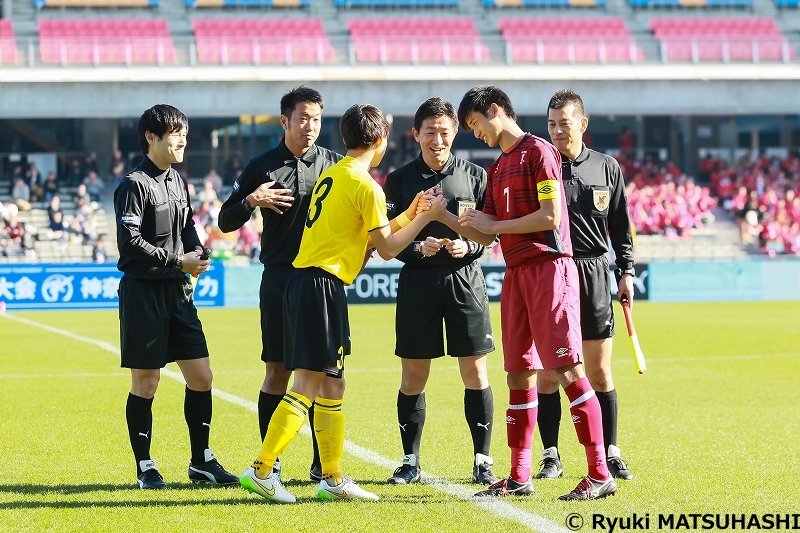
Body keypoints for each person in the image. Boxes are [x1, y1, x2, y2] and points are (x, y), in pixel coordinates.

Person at [239, 103, 447, 504]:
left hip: (307, 283)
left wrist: (410, 211)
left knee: (334, 383)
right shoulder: (366, 185)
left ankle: (332, 478)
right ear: (381, 141)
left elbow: (371, 234)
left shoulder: (333, 175)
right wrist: (426, 218)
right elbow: (386, 248)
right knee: (308, 384)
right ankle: (263, 469)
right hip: (322, 286)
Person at [451, 85, 617, 501]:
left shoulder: (539, 151)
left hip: (548, 268)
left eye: (475, 124)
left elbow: (550, 216)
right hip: (516, 273)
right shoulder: (499, 166)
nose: (476, 134)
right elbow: (483, 229)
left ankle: (599, 473)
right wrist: (441, 216)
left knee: (567, 370)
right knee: (517, 373)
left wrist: (495, 227)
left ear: (494, 111)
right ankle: (519, 474)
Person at [218, 86, 342, 482]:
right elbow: (224, 220)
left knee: (327, 374)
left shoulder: (336, 166)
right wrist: (252, 200)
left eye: (317, 119)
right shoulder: (262, 166)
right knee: (277, 372)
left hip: (322, 280)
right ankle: (271, 464)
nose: (310, 126)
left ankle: (324, 464)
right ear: (285, 120)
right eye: (303, 118)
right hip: (279, 280)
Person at [114, 104, 238, 490]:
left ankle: (201, 461)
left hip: (179, 295)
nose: (183, 139)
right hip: (144, 294)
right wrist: (177, 261)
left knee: (202, 377)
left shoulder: (178, 181)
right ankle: (146, 466)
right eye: (175, 133)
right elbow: (130, 245)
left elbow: (188, 226)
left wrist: (198, 253)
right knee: (147, 382)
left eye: (184, 131)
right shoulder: (133, 184)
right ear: (151, 137)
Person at [382, 97, 498, 486]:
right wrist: (418, 248)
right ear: (416, 134)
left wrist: (471, 246)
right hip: (419, 283)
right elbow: (390, 241)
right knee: (414, 375)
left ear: (454, 134)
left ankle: (483, 459)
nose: (437, 139)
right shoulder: (398, 180)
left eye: (445, 131)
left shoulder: (476, 176)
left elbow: (490, 234)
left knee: (476, 371)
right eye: (429, 131)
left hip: (466, 279)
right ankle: (409, 460)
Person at [532, 89, 635, 482]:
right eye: (551, 124)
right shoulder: (540, 166)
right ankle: (550, 454)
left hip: (594, 274)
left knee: (599, 371)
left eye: (564, 123)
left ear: (583, 124)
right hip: (551, 273)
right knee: (547, 372)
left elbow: (621, 226)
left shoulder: (607, 167)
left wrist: (625, 271)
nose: (557, 131)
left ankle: (610, 452)